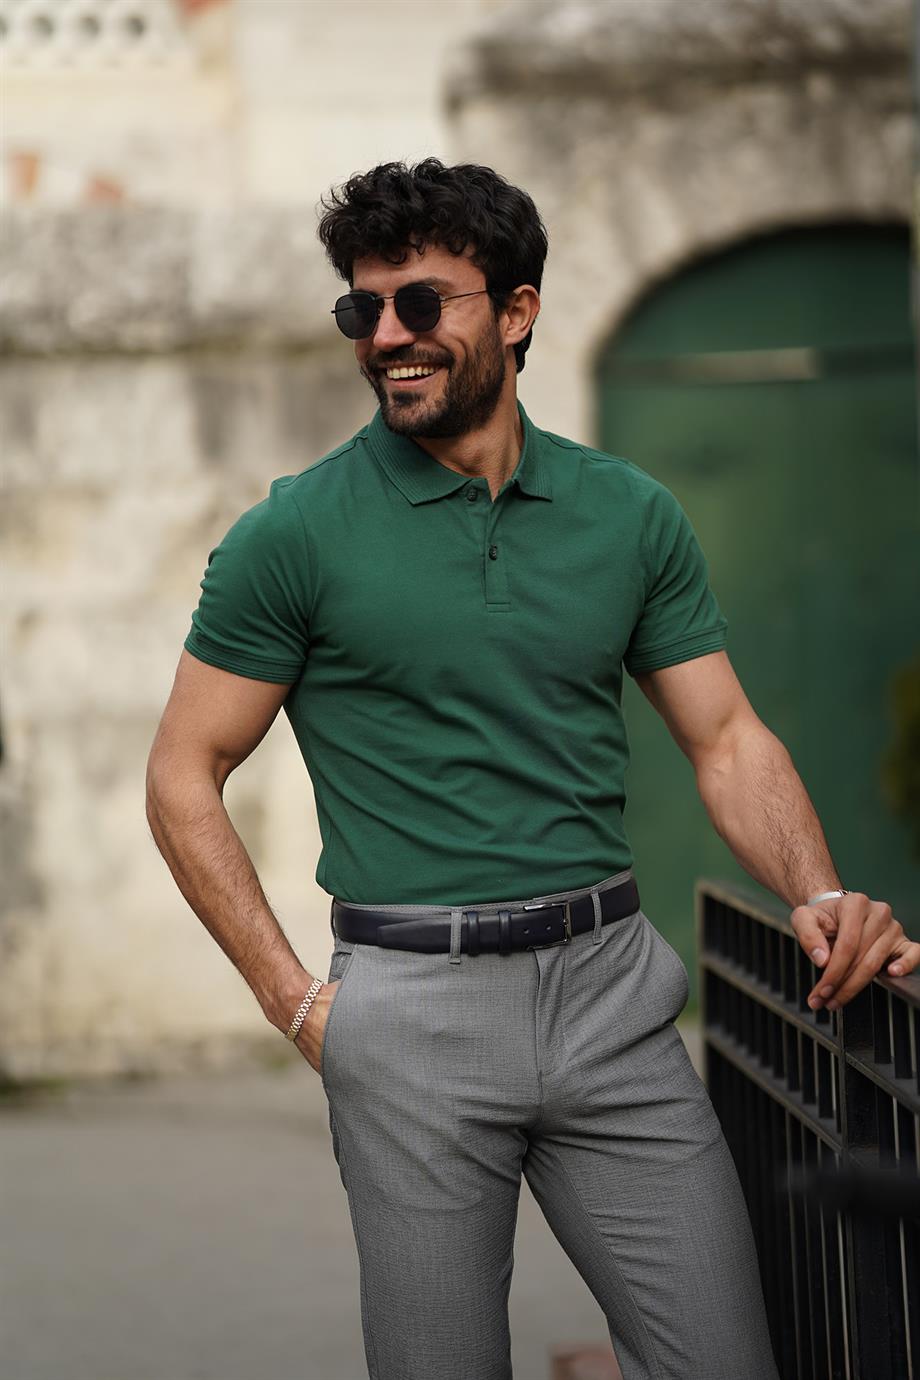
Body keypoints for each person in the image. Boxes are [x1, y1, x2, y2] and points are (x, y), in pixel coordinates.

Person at [145, 158, 918, 1380]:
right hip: (410, 1008)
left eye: (420, 303)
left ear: (515, 312)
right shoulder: (291, 535)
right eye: (361, 308)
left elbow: (724, 737)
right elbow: (183, 773)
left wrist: (815, 892)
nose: (385, 337)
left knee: (722, 1360)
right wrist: (294, 1000)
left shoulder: (628, 514)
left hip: (612, 997)